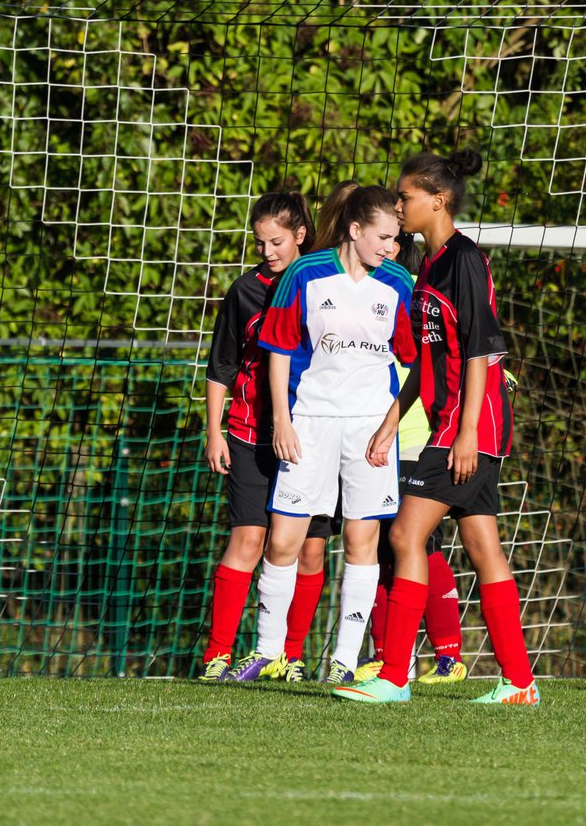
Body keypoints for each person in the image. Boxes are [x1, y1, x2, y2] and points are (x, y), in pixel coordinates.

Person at [334, 149, 539, 705]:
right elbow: (427, 363)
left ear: (438, 200)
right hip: (451, 423)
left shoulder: (465, 260)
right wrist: (390, 423)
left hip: (469, 426)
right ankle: (519, 684)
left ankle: (394, 677)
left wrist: (467, 432)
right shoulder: (429, 264)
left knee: (404, 535)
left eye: (406, 197)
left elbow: (480, 352)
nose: (398, 207)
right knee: (481, 546)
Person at [224, 185, 417, 684]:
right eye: (383, 236)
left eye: (395, 237)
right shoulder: (304, 274)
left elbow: (418, 362)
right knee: (284, 539)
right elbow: (279, 349)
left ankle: (345, 660)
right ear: (355, 231)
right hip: (308, 423)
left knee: (361, 537)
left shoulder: (397, 281)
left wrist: (390, 424)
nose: (391, 246)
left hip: (370, 429)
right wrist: (283, 421)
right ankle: (268, 652)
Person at [198, 192, 334, 683]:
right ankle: (218, 654)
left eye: (276, 241)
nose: (267, 251)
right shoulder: (245, 292)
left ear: (300, 235)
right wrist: (214, 432)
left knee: (309, 549)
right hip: (250, 434)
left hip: (315, 435)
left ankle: (290, 656)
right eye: (260, 242)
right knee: (249, 538)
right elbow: (221, 368)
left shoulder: (326, 283)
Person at [356, 231, 468, 685]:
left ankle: (448, 655)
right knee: (384, 550)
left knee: (418, 545)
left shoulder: (414, 307)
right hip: (377, 443)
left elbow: (449, 361)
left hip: (415, 442)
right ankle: (389, 656)